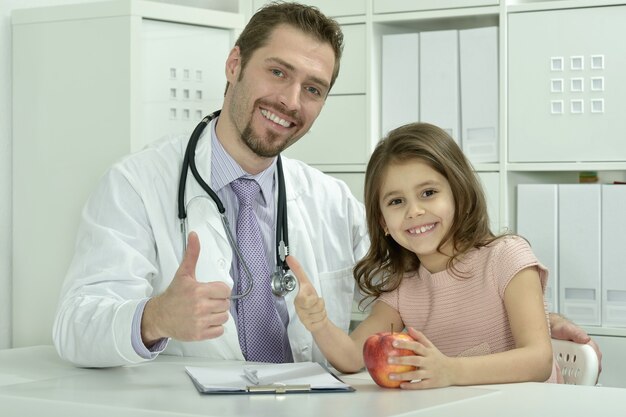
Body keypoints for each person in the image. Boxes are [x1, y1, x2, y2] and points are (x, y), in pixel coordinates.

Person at [53, 2, 600, 370]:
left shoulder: (330, 199)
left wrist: (503, 309)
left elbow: (412, 286)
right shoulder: (136, 185)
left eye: (313, 88)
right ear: (234, 63)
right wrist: (153, 319)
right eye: (278, 73)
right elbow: (74, 326)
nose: (292, 101)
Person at [291, 122, 563, 388]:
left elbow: (538, 360)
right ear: (383, 222)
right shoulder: (402, 287)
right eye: (396, 201)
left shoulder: (506, 257)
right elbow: (351, 357)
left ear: (459, 194)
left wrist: (450, 371)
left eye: (428, 193)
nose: (414, 211)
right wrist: (319, 324)